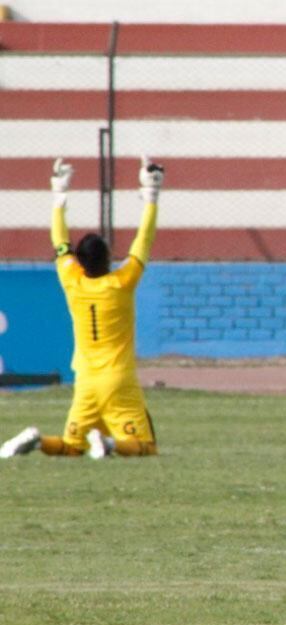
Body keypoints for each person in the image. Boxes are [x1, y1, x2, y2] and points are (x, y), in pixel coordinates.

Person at [1, 156, 164, 461]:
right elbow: (143, 244)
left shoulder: (71, 280)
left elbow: (60, 243)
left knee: (71, 446)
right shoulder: (121, 283)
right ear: (107, 258)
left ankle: (35, 441)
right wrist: (151, 195)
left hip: (86, 379)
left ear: (82, 262)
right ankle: (111, 445)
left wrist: (59, 194)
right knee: (145, 445)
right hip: (118, 379)